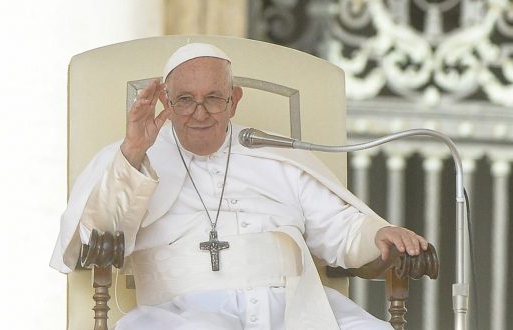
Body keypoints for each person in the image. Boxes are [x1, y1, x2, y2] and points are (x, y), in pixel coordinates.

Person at [50, 43, 428, 330]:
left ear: (234, 101)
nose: (200, 113)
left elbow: (338, 227)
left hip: (295, 308)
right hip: (185, 314)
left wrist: (378, 234)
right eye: (184, 100)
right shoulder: (131, 155)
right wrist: (133, 151)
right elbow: (93, 234)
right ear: (165, 100)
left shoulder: (274, 152)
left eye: (214, 98)